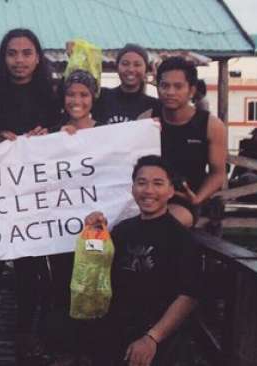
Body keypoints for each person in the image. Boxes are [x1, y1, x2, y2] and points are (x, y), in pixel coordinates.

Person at [0, 28, 62, 364]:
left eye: (26, 53)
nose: (19, 60)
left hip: (35, 197)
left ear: (38, 57)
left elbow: (70, 134)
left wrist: (48, 138)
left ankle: (24, 335)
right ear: (2, 57)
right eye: (12, 53)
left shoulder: (54, 96)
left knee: (31, 269)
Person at [85, 155, 201, 366]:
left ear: (170, 191)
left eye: (158, 183)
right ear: (133, 189)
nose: (148, 190)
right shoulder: (122, 230)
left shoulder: (181, 238)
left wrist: (152, 338)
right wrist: (94, 234)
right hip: (116, 331)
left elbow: (189, 296)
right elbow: (96, 269)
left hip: (160, 339)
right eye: (141, 183)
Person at [153, 56, 227, 228]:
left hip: (183, 202)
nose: (170, 92)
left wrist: (198, 198)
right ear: (158, 89)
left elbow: (218, 173)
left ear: (191, 90)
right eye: (164, 86)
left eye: (178, 86)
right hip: (147, 197)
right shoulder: (148, 120)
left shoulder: (211, 125)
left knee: (163, 225)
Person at [91, 43, 159, 126]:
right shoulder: (101, 97)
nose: (131, 69)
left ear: (146, 69)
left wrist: (160, 85)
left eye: (137, 65)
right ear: (117, 66)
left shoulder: (153, 106)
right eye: (125, 64)